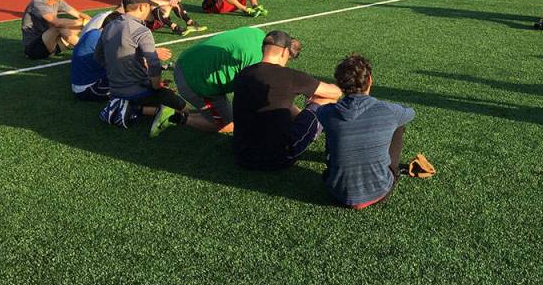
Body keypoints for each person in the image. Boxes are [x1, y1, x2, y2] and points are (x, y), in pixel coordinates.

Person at [231, 31, 343, 170]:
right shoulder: (289, 76)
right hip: (277, 158)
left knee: (275, 102)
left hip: (241, 155)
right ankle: (335, 151)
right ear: (284, 52)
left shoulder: (244, 73)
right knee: (325, 99)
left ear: (263, 49)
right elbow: (336, 92)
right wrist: (315, 97)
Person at [321, 54, 415, 209]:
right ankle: (393, 170)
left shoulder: (326, 112)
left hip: (337, 193)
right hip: (380, 191)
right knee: (399, 125)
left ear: (339, 84)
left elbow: (321, 111)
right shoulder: (388, 110)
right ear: (370, 80)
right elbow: (410, 113)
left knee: (332, 127)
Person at [94, 0, 187, 136]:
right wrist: (156, 86)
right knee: (182, 107)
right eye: (149, 6)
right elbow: (154, 63)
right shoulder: (141, 30)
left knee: (157, 93)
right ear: (143, 7)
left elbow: (98, 56)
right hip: (137, 91)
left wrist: (117, 70)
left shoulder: (109, 26)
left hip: (115, 90)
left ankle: (124, 106)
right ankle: (133, 108)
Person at [173, 26, 267, 134]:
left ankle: (204, 114)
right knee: (228, 124)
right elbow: (246, 98)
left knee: (227, 112)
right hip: (195, 82)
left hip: (187, 59)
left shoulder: (257, 33)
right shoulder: (258, 63)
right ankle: (174, 116)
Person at [21, 0, 91, 59]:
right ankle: (89, 52)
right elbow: (57, 23)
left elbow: (78, 14)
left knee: (83, 25)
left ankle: (96, 47)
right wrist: (82, 22)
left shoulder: (58, 1)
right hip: (34, 49)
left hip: (52, 45)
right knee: (59, 27)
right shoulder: (38, 4)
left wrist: (91, 21)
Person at [71, 11, 122, 101]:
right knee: (131, 87)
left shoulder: (94, 32)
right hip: (87, 88)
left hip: (84, 81)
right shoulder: (101, 40)